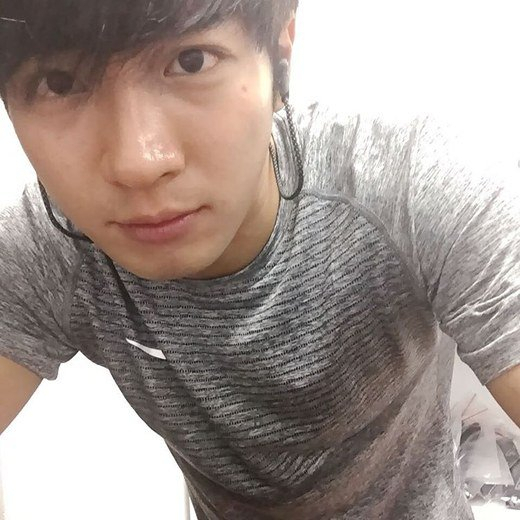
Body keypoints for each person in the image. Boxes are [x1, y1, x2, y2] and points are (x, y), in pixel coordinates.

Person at [0, 1, 519, 519]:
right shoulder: (51, 251)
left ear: (279, 56)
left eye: (191, 62)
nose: (139, 163)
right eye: (59, 83)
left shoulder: (410, 191)